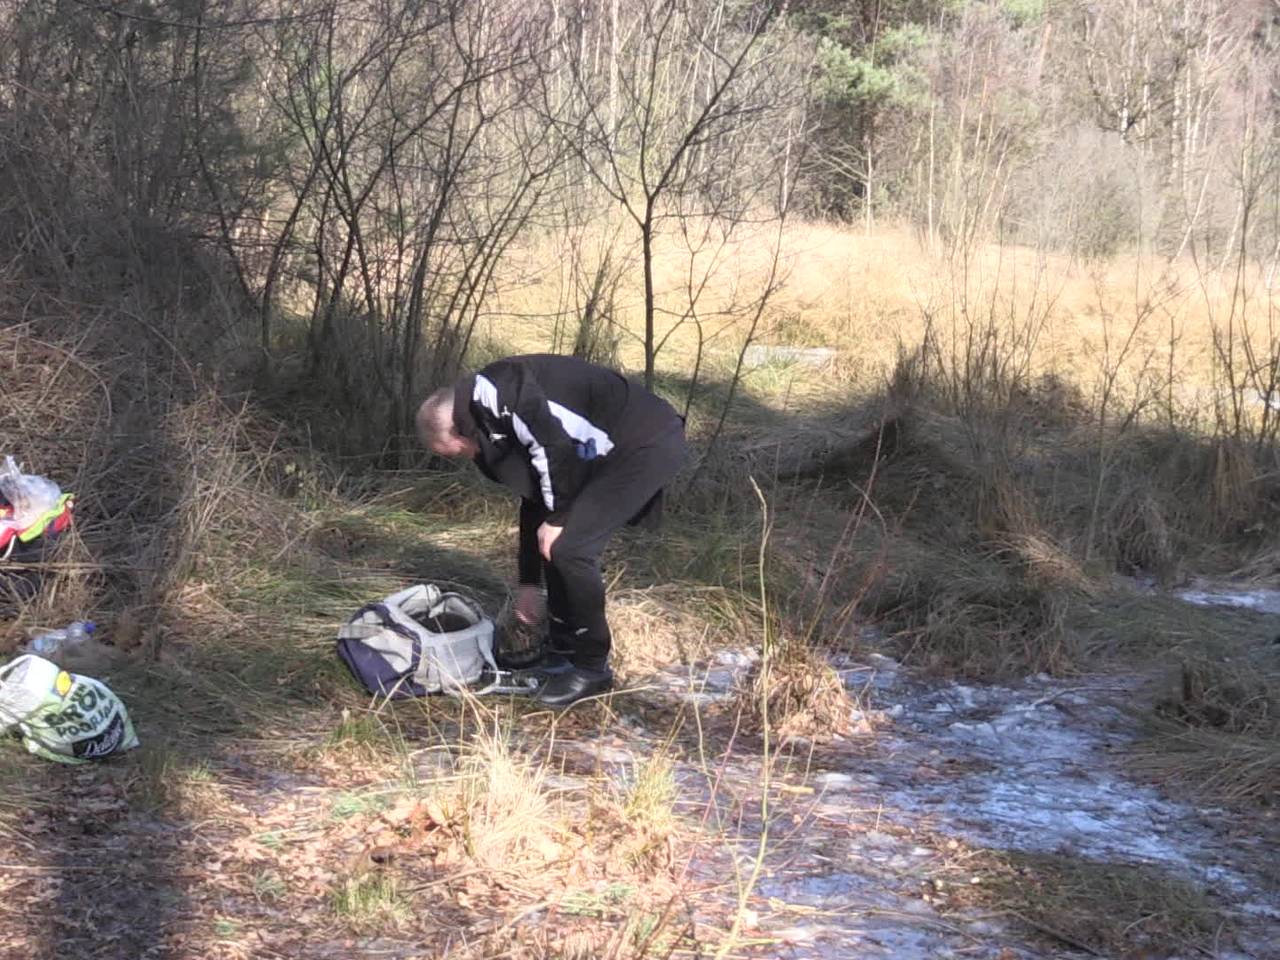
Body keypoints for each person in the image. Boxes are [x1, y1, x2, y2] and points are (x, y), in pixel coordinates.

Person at [416, 354, 688, 706]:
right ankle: (561, 653)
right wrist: (529, 583)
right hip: (597, 453)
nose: (466, 457)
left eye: (455, 453)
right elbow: (534, 498)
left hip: (643, 443)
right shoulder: (487, 413)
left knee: (570, 548)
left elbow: (553, 450)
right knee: (552, 539)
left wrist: (560, 519)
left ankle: (591, 667)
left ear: (457, 428)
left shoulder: (506, 396)